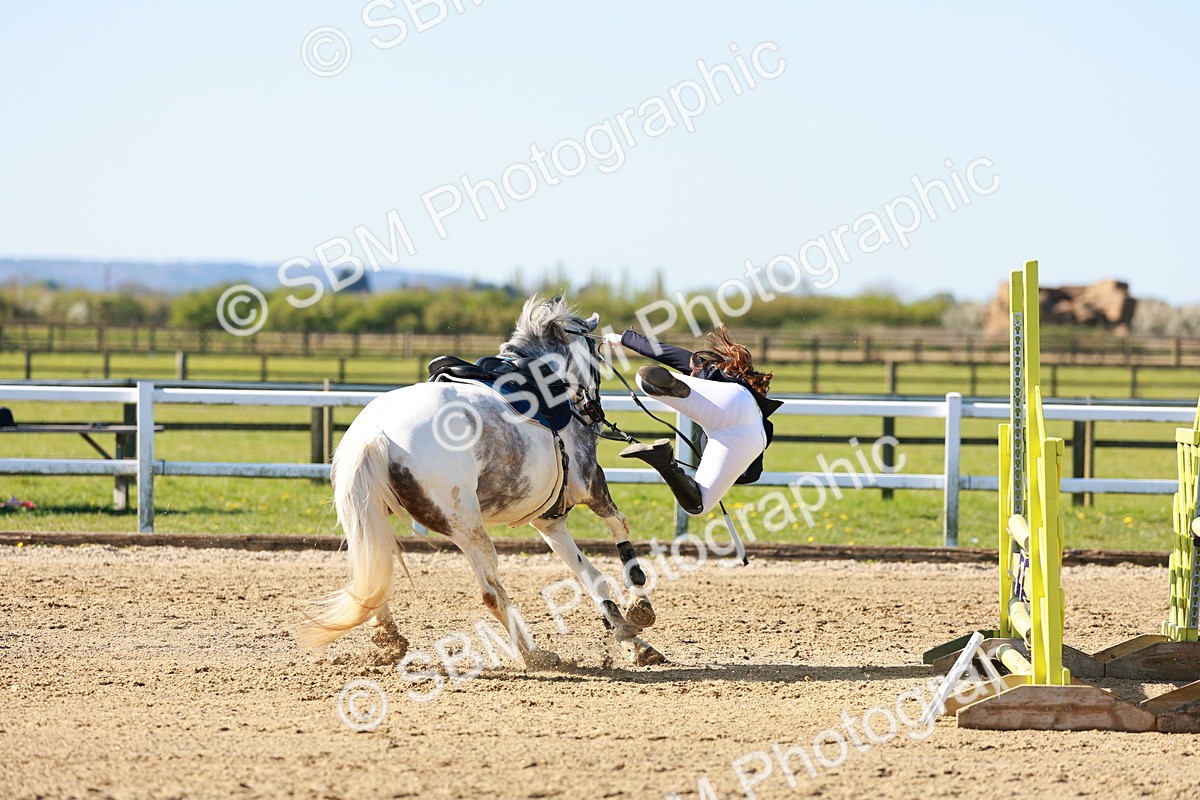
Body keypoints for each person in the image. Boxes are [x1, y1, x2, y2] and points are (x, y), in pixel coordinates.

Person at [603, 325, 782, 515]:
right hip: (750, 434)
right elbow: (752, 475)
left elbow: (668, 352)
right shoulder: (757, 416)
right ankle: (663, 461)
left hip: (724, 398)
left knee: (642, 379)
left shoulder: (712, 370)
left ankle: (676, 388)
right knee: (697, 508)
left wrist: (624, 339)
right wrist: (724, 475)